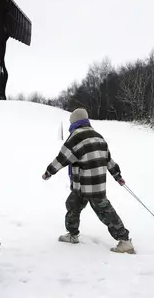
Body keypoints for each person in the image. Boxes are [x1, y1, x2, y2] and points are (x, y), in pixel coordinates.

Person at [42, 108, 135, 254]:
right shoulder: (99, 137)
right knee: (72, 204)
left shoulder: (75, 137)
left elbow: (62, 158)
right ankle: (73, 234)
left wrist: (49, 172)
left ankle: (124, 241)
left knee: (105, 211)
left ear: (74, 122)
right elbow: (108, 160)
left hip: (89, 185)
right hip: (87, 184)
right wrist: (117, 175)